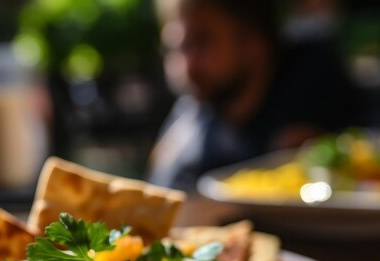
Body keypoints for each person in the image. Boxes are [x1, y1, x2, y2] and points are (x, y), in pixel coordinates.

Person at [148, 0, 367, 191]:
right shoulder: (191, 113)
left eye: (201, 42)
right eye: (175, 48)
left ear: (254, 41)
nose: (186, 66)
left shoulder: (311, 81)